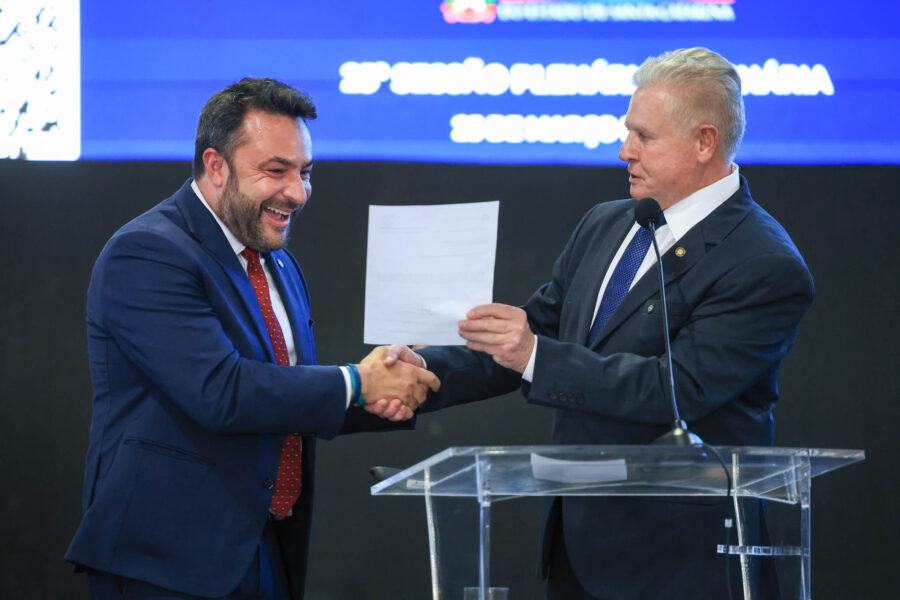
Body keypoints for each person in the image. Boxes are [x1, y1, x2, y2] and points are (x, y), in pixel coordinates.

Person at [405, 48, 815, 598]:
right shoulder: (606, 223)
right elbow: (537, 333)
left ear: (704, 142)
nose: (625, 151)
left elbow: (678, 389)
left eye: (644, 136)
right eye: (628, 132)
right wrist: (422, 371)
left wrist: (533, 354)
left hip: (683, 566)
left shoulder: (763, 263)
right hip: (579, 550)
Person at [65, 77, 440, 600]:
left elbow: (283, 395)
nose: (298, 193)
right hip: (166, 565)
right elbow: (221, 391)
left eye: (305, 172)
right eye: (276, 171)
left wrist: (389, 389)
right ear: (216, 165)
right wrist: (357, 382)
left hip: (266, 549)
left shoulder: (278, 265)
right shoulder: (147, 253)